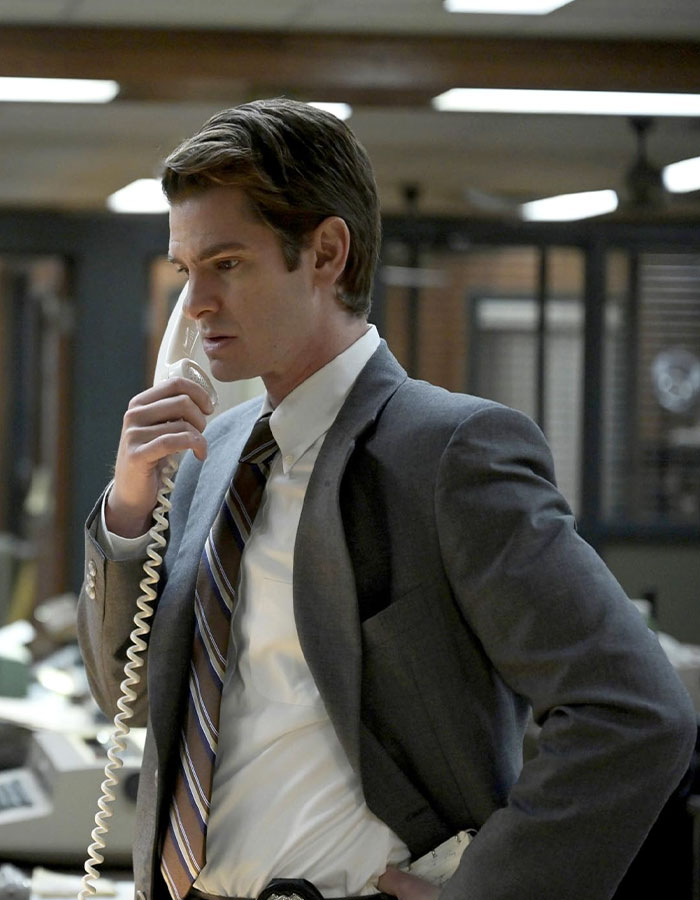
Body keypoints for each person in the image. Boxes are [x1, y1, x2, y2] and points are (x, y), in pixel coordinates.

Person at [78, 98, 695, 900]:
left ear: (326, 252)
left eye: (226, 264)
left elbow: (636, 712)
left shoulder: (451, 451)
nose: (194, 304)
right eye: (184, 269)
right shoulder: (207, 455)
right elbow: (121, 696)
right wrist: (129, 510)